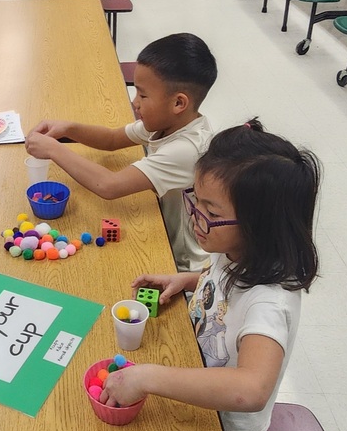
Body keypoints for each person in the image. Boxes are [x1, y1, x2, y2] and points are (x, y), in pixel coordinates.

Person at [100, 119, 321, 431]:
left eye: (212, 212)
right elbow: (218, 280)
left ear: (258, 226)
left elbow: (250, 389)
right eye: (196, 200)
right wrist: (186, 280)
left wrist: (148, 377)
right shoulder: (234, 247)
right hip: (197, 384)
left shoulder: (269, 303)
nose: (195, 215)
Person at [25, 33, 217, 272]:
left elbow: (109, 186)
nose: (135, 103)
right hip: (162, 227)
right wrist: (68, 128)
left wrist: (54, 149)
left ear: (179, 103)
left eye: (143, 95)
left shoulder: (186, 149)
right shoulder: (169, 123)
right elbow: (112, 138)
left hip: (179, 261)